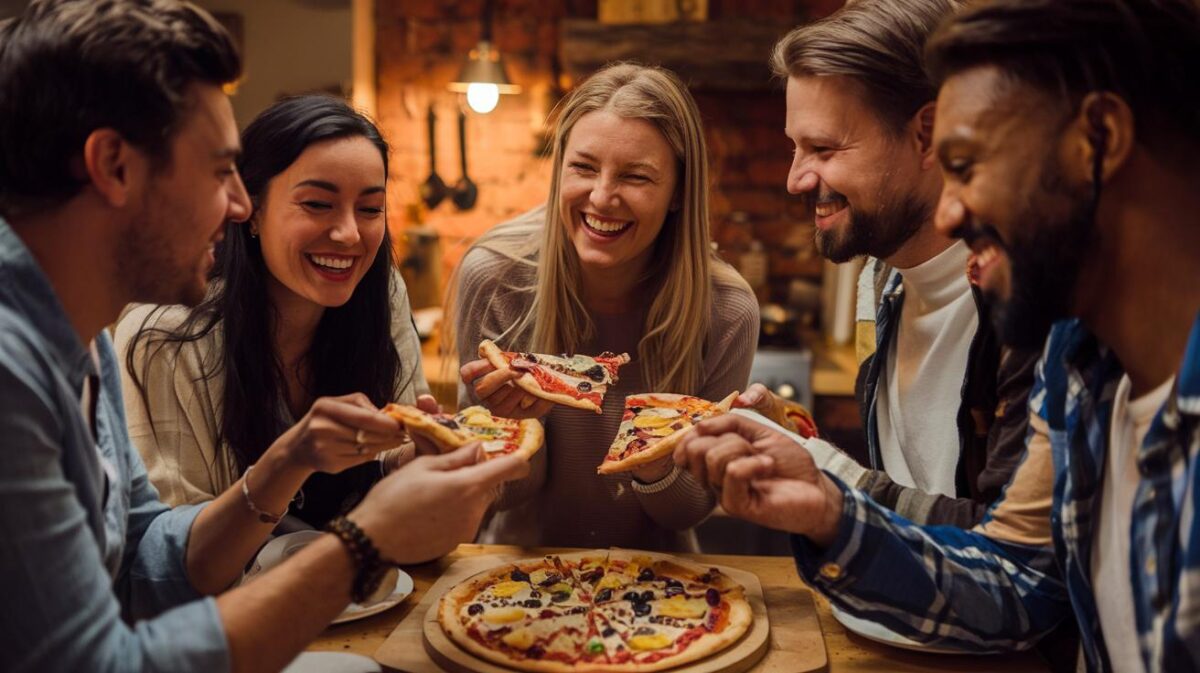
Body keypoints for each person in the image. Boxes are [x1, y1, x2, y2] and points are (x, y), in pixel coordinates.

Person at [0, 2, 526, 671]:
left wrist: (284, 464)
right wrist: (363, 541)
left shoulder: (79, 338)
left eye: (370, 207)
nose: (240, 205)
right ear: (113, 164)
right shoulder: (11, 373)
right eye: (221, 170)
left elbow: (142, 559)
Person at [679, 0, 1200, 670]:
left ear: (1098, 139)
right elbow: (1017, 580)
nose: (949, 211)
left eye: (968, 163)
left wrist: (834, 480)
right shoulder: (1081, 366)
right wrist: (831, 512)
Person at [722, 0, 1043, 529]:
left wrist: (818, 470)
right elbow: (905, 499)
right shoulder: (880, 279)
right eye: (794, 148)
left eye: (823, 148)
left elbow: (1010, 558)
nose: (795, 179)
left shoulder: (1030, 302)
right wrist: (797, 440)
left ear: (927, 135)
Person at [451, 62, 759, 551]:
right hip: (518, 580)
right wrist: (518, 427)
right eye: (584, 167)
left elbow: (691, 507)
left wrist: (653, 460)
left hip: (666, 590)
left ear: (679, 192)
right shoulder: (494, 278)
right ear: (559, 170)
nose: (601, 197)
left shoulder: (726, 308)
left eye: (636, 177)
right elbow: (499, 495)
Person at [114, 95, 437, 530]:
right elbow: (173, 545)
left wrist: (410, 460)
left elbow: (392, 460)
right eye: (317, 204)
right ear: (251, 209)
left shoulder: (381, 292)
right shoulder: (165, 334)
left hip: (369, 588)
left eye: (370, 209)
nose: (348, 233)